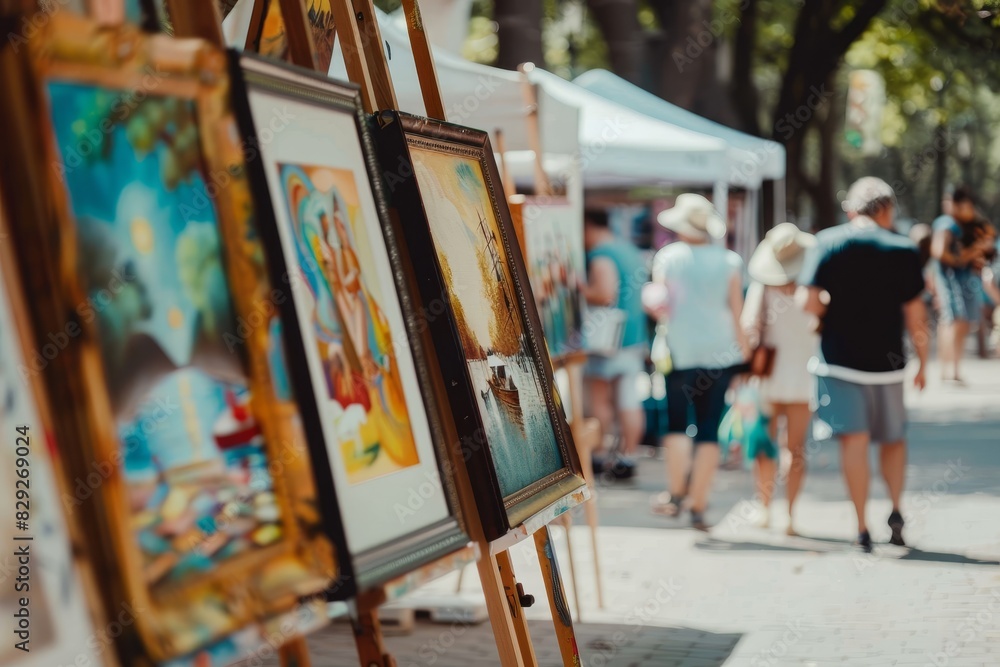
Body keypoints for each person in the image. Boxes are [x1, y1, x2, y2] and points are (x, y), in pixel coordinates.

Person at [798, 177, 929, 552]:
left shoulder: (826, 242)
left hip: (838, 362)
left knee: (854, 442)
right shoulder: (903, 248)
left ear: (850, 209)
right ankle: (896, 510)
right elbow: (916, 314)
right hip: (889, 365)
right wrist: (923, 362)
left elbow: (807, 301)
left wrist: (825, 308)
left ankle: (861, 527)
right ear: (887, 210)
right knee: (893, 439)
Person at [647, 194, 747, 531]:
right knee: (708, 428)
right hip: (721, 353)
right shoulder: (730, 261)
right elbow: (737, 312)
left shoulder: (669, 258)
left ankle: (676, 493)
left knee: (676, 423)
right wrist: (746, 354)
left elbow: (658, 302)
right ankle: (699, 504)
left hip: (678, 352)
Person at [741, 223, 818, 535]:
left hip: (768, 377)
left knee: (764, 446)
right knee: (795, 449)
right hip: (805, 376)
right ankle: (790, 515)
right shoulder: (815, 288)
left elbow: (749, 328)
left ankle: (764, 507)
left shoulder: (764, 287)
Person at [582, 209, 648, 470]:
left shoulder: (601, 255)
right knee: (629, 399)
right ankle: (628, 457)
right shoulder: (629, 251)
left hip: (607, 339)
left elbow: (604, 294)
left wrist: (579, 288)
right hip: (634, 337)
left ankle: (599, 454)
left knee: (600, 400)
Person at [930, 186, 992, 383]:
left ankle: (953, 370)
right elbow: (938, 252)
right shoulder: (946, 223)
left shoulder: (965, 224)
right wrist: (963, 258)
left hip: (963, 280)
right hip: (950, 279)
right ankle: (948, 371)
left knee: (960, 323)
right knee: (953, 322)